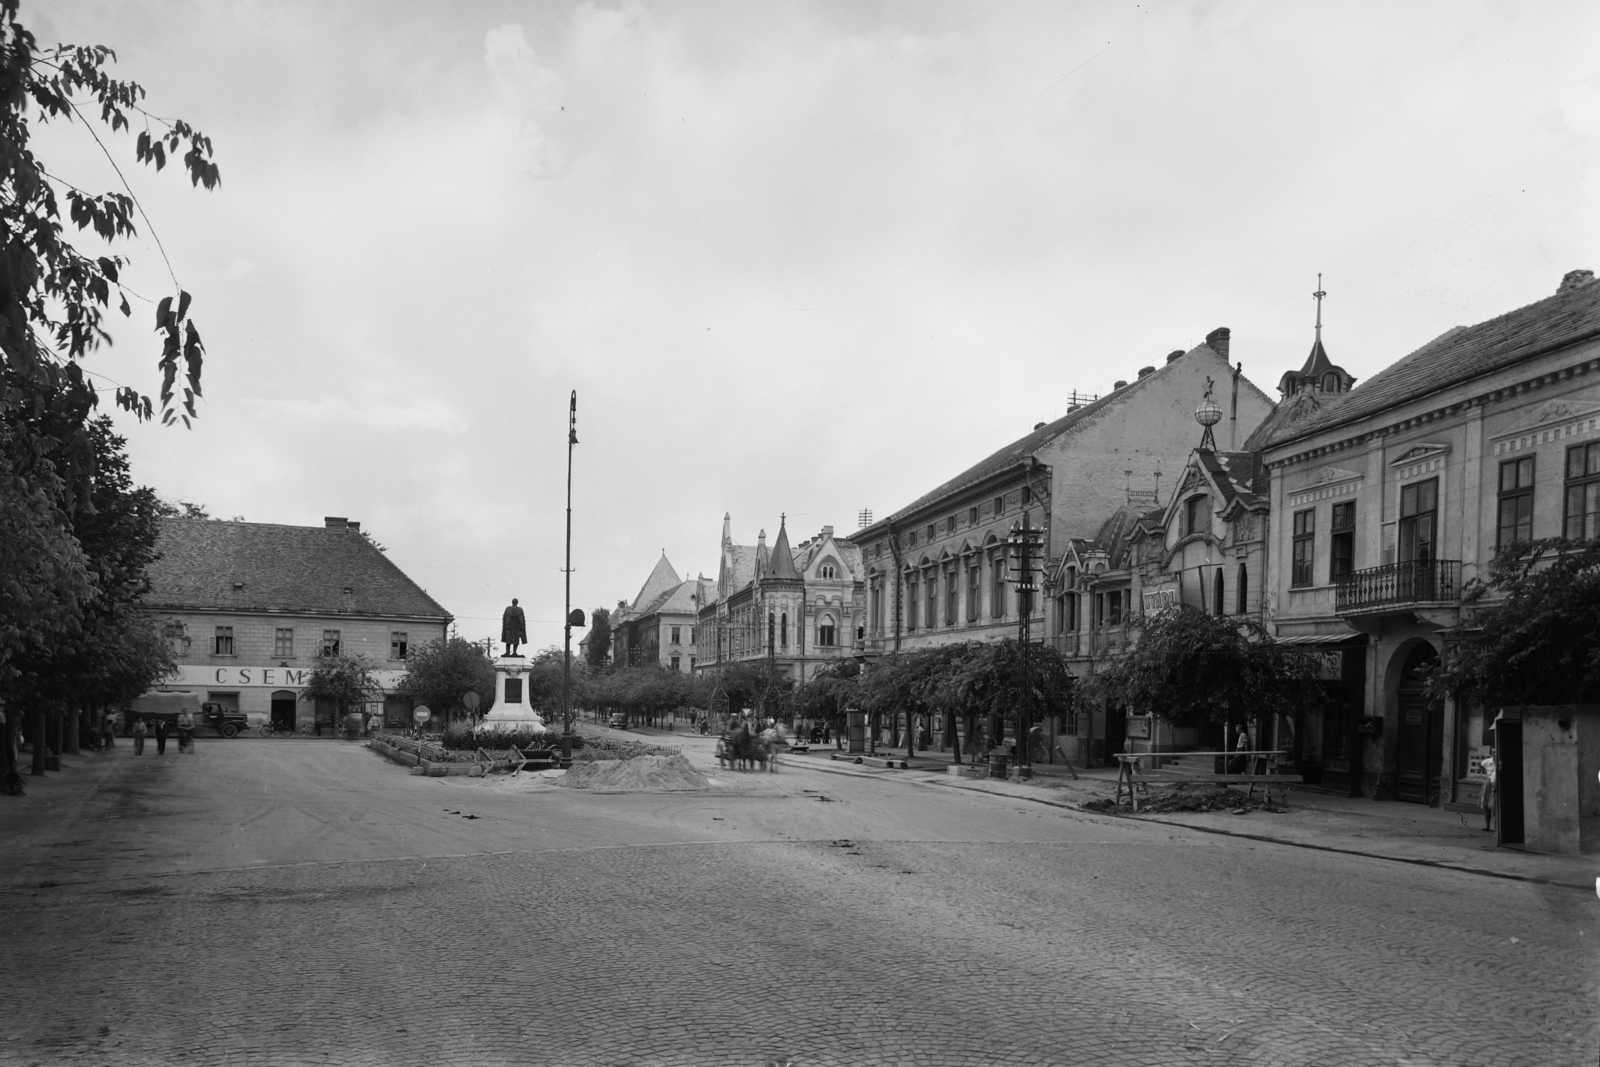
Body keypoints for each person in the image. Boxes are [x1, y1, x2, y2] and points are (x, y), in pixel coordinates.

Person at [1480, 753, 1497, 832]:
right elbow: (1480, 766)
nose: (1495, 753)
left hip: (1497, 783)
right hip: (1489, 783)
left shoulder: (1500, 762)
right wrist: (1487, 774)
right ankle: (1487, 824)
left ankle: (1497, 828)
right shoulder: (1487, 762)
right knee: (1486, 804)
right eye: (1493, 752)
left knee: (1496, 806)